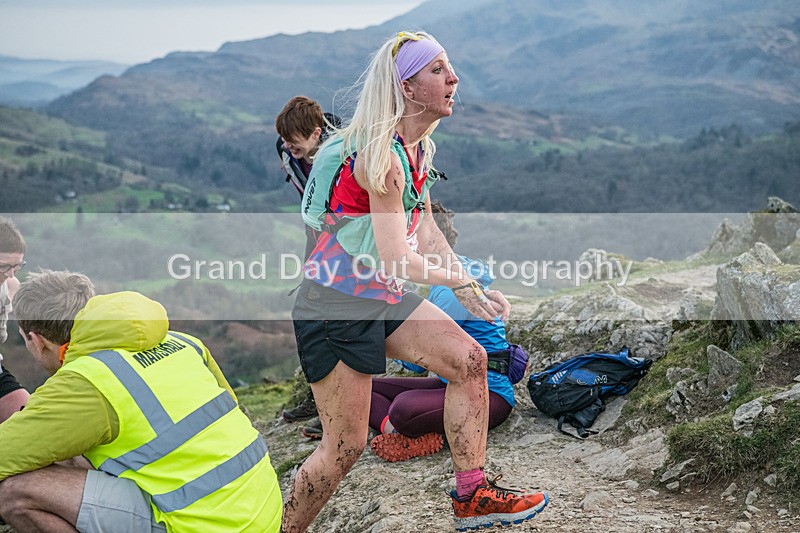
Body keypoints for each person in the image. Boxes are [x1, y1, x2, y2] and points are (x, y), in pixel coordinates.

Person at [284, 31, 548, 532]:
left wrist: (469, 289)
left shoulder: (418, 149)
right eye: (438, 70)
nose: (454, 78)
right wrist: (458, 277)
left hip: (377, 295)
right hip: (334, 306)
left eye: (449, 68)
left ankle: (472, 496)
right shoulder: (381, 159)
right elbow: (398, 258)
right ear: (407, 87)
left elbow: (424, 229)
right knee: (343, 450)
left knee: (469, 360)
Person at [0, 270, 282, 532]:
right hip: (260, 510)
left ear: (37, 341)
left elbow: (6, 454)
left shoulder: (88, 380)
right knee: (74, 454)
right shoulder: (183, 343)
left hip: (202, 524)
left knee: (16, 492)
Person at [368, 201, 524, 461]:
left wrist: (391, 345)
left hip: (489, 397)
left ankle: (400, 430)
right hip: (450, 384)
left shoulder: (449, 291)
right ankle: (398, 434)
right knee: (367, 390)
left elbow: (419, 362)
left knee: (403, 409)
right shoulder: (454, 274)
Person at [275, 95, 340, 423]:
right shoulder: (288, 150)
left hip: (348, 244)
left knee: (339, 319)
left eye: (294, 140)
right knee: (307, 314)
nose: (287, 147)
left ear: (317, 133)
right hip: (316, 238)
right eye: (284, 140)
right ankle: (320, 400)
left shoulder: (345, 154)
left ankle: (337, 408)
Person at [0, 217, 30, 423]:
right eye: (4, 266)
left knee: (30, 421)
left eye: (16, 267)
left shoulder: (10, 285)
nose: (10, 274)